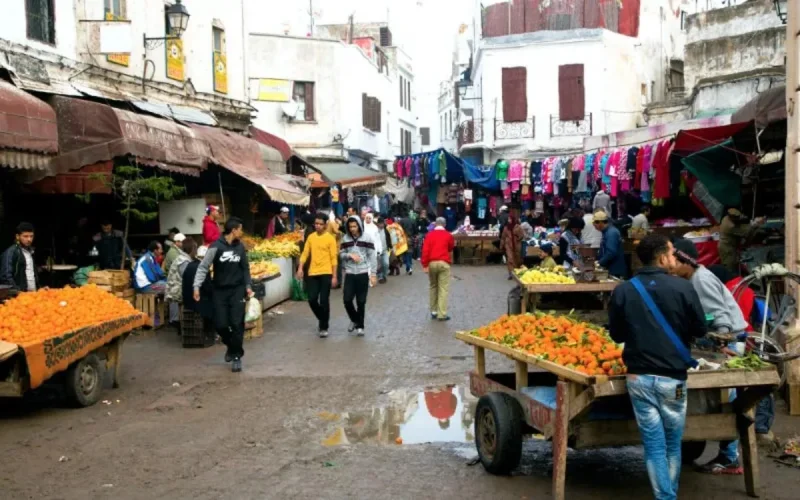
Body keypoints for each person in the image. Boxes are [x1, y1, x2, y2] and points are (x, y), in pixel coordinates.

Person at [608, 234, 708, 500]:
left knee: (653, 444)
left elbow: (616, 335)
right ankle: (667, 496)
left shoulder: (623, 290)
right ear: (662, 256)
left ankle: (666, 496)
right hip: (672, 381)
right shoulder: (684, 288)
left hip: (638, 379)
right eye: (673, 252)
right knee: (672, 444)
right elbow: (700, 328)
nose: (675, 257)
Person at [671, 238, 748, 475]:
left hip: (729, 345)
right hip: (718, 343)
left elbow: (721, 317)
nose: (670, 268)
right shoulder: (692, 278)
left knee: (726, 398)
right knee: (714, 399)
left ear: (686, 260)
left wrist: (722, 346)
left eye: (673, 262)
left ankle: (730, 457)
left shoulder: (701, 281)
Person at [194, 217, 253, 373]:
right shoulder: (215, 247)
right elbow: (203, 267)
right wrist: (196, 287)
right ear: (233, 230)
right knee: (220, 324)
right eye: (240, 229)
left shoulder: (240, 247)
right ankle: (231, 346)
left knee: (236, 323)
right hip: (219, 290)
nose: (242, 232)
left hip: (237, 290)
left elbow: (245, 268)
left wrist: (248, 285)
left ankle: (236, 356)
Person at [296, 214, 339, 338]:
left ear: (325, 225)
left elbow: (333, 258)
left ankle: (323, 326)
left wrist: (335, 276)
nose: (318, 226)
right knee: (312, 299)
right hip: (313, 272)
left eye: (320, 224)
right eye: (316, 224)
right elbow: (305, 254)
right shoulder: (311, 237)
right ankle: (323, 318)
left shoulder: (330, 238)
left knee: (324, 300)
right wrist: (300, 268)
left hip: (326, 272)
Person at [339, 215, 378, 336]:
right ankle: (355, 319)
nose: (352, 229)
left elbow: (372, 256)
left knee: (361, 301)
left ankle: (360, 326)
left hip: (362, 272)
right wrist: (348, 255)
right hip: (350, 273)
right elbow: (340, 254)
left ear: (359, 225)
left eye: (354, 226)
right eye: (350, 226)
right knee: (347, 300)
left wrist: (373, 274)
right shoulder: (345, 239)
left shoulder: (367, 238)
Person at [422, 217, 455, 321]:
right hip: (444, 263)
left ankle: (433, 311)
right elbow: (450, 247)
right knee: (443, 288)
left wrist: (425, 265)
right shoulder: (448, 235)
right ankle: (442, 313)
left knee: (433, 286)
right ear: (444, 225)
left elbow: (425, 251)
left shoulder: (429, 235)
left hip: (431, 263)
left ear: (435, 224)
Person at [718, 208, 764, 273]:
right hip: (727, 249)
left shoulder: (726, 218)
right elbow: (746, 232)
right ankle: (731, 281)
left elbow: (740, 221)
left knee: (734, 265)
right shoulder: (730, 226)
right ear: (732, 218)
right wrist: (753, 224)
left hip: (730, 246)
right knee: (730, 268)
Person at [0, 222, 39, 292]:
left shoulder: (31, 251)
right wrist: (17, 292)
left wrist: (39, 288)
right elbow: (5, 276)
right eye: (25, 236)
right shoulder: (11, 252)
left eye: (31, 236)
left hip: (33, 295)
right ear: (17, 236)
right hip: (19, 296)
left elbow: (32, 275)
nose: (29, 239)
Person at [166, 238, 195, 326]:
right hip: (176, 291)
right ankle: (179, 321)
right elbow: (188, 278)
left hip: (175, 289)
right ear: (191, 249)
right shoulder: (183, 261)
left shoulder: (183, 257)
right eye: (195, 248)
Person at [182, 245, 213, 320]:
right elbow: (208, 288)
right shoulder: (204, 268)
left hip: (187, 300)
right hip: (199, 301)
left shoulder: (189, 265)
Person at [593, 211, 627, 278]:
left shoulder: (611, 233)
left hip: (615, 271)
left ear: (600, 223)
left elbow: (611, 252)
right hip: (610, 268)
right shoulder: (606, 232)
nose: (594, 226)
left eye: (595, 224)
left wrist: (599, 262)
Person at [501, 214, 523, 280]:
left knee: (517, 259)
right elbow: (503, 237)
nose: (509, 220)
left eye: (510, 219)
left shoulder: (518, 227)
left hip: (516, 246)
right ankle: (511, 273)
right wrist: (502, 246)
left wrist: (517, 239)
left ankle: (517, 272)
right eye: (508, 219)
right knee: (510, 259)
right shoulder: (506, 228)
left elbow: (521, 235)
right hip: (508, 245)